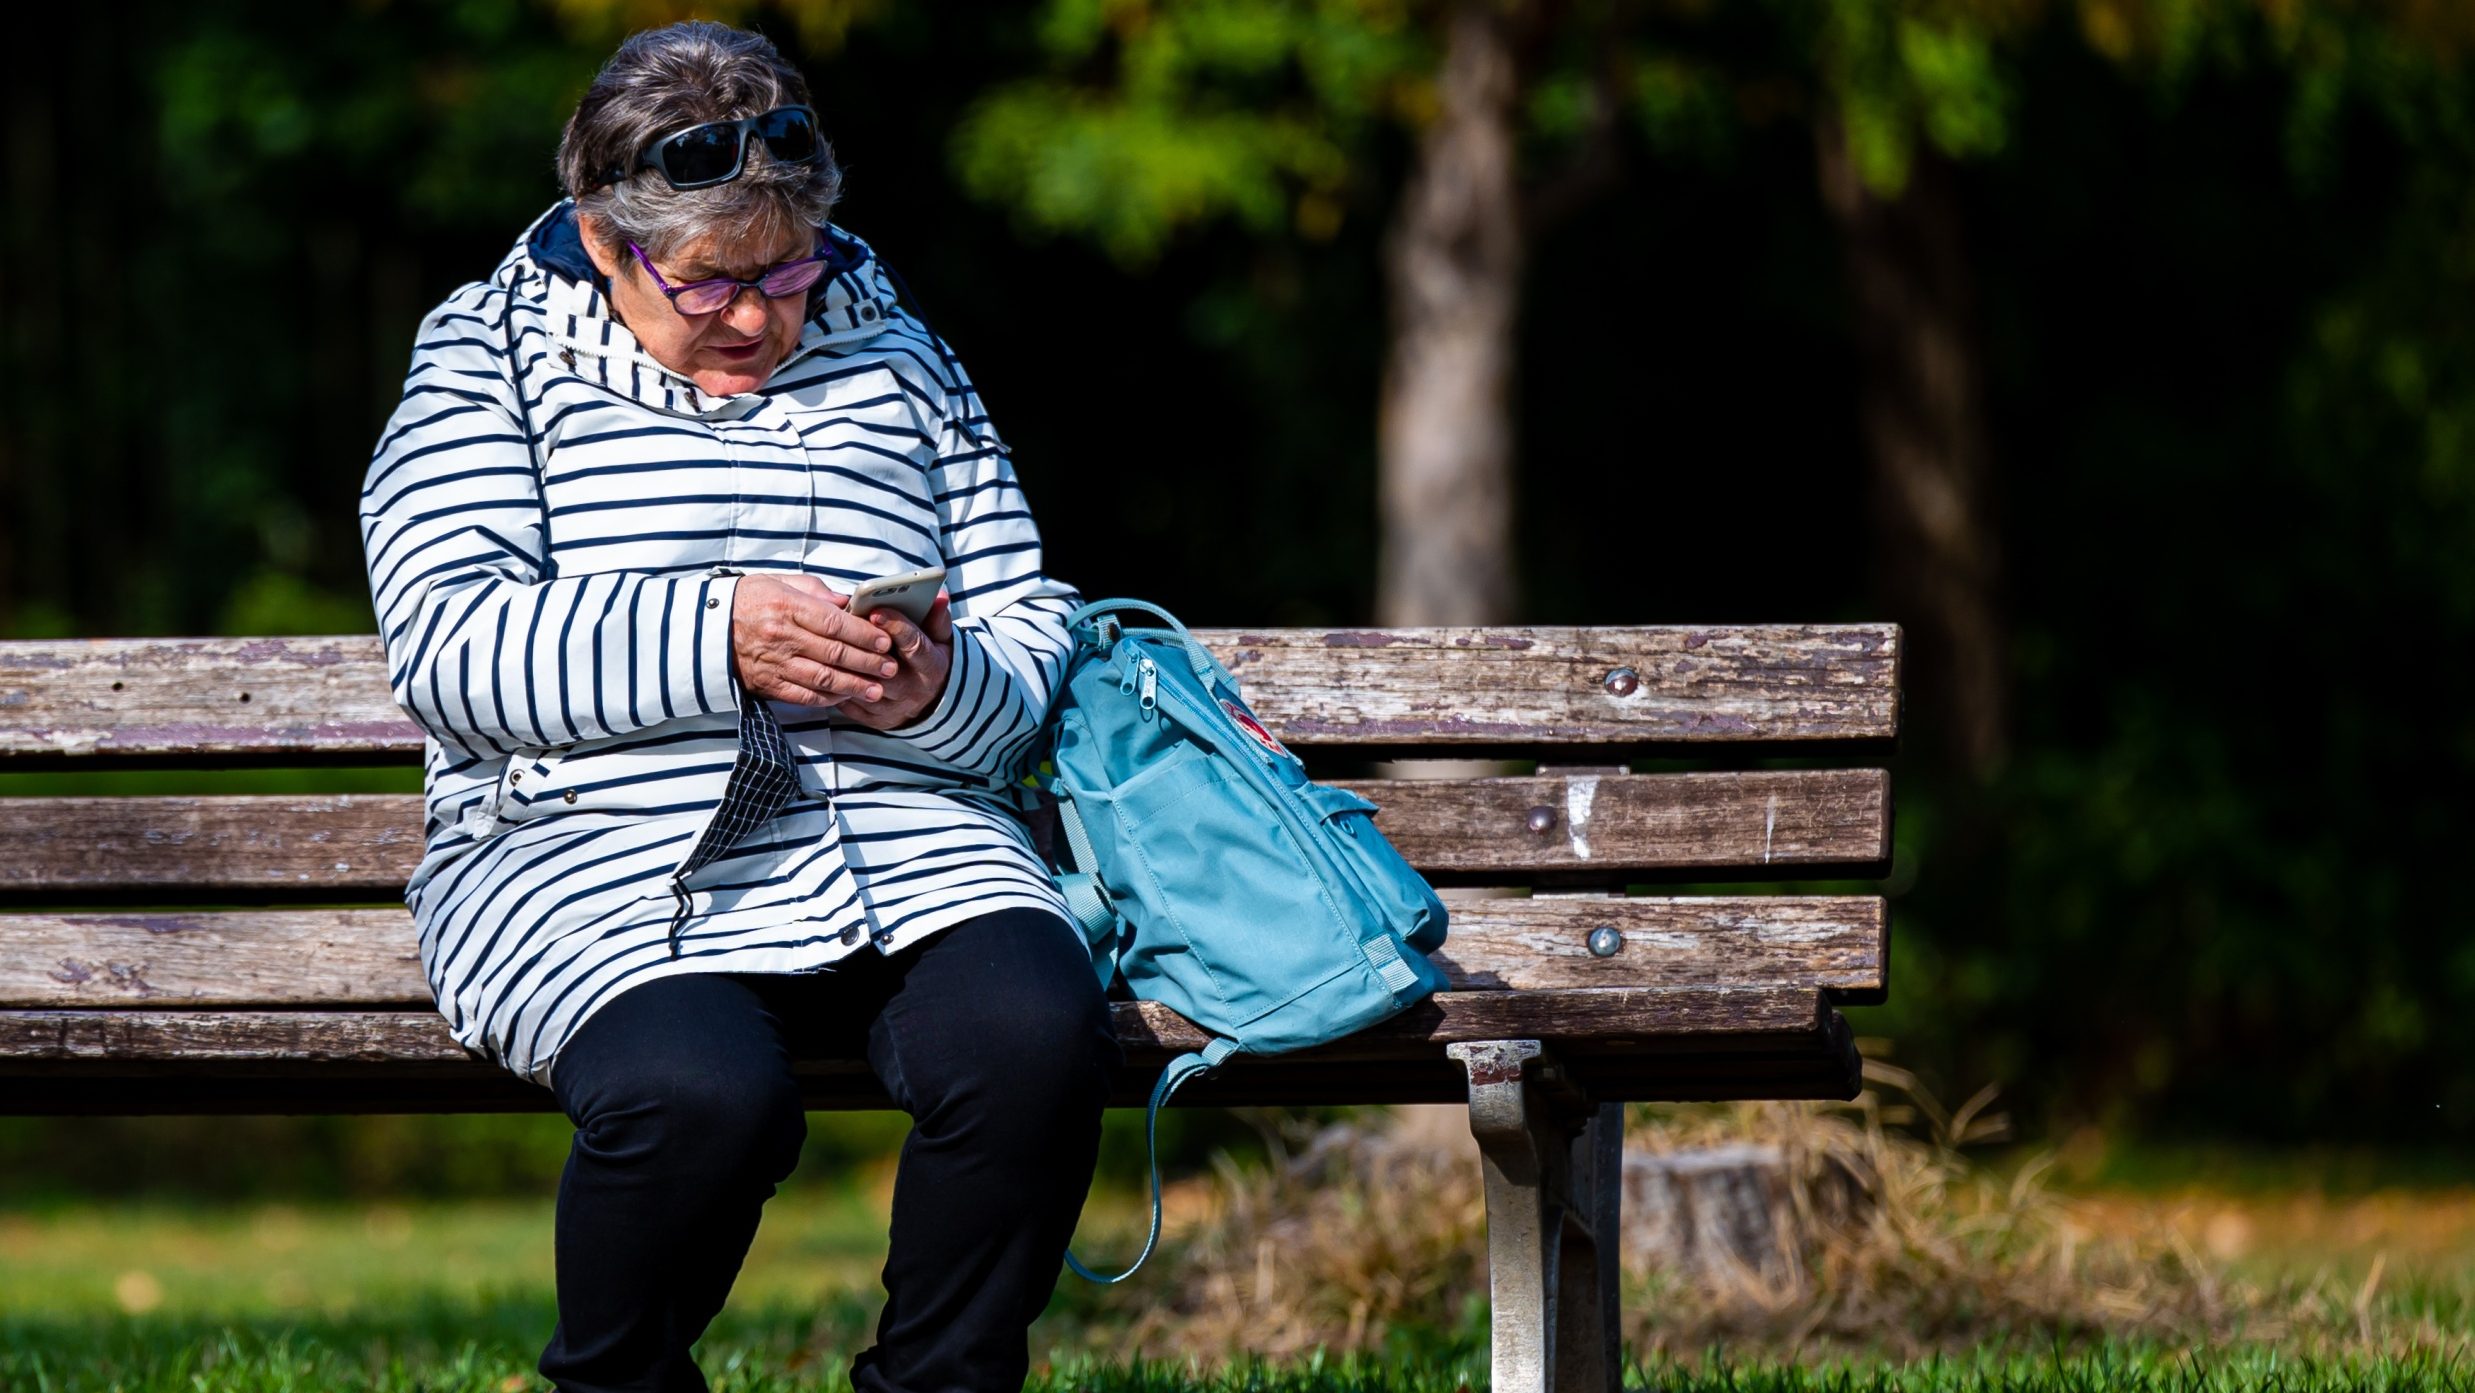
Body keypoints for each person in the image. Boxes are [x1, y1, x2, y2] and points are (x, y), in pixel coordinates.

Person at [355, 20, 1119, 1393]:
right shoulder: (487, 359)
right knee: (698, 1096)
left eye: (786, 270)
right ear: (601, 241)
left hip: (902, 829)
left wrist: (943, 687)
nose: (761, 317)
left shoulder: (903, 354)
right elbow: (449, 644)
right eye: (709, 284)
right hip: (587, 850)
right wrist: (719, 635)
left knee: (1035, 1032)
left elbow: (1022, 611)